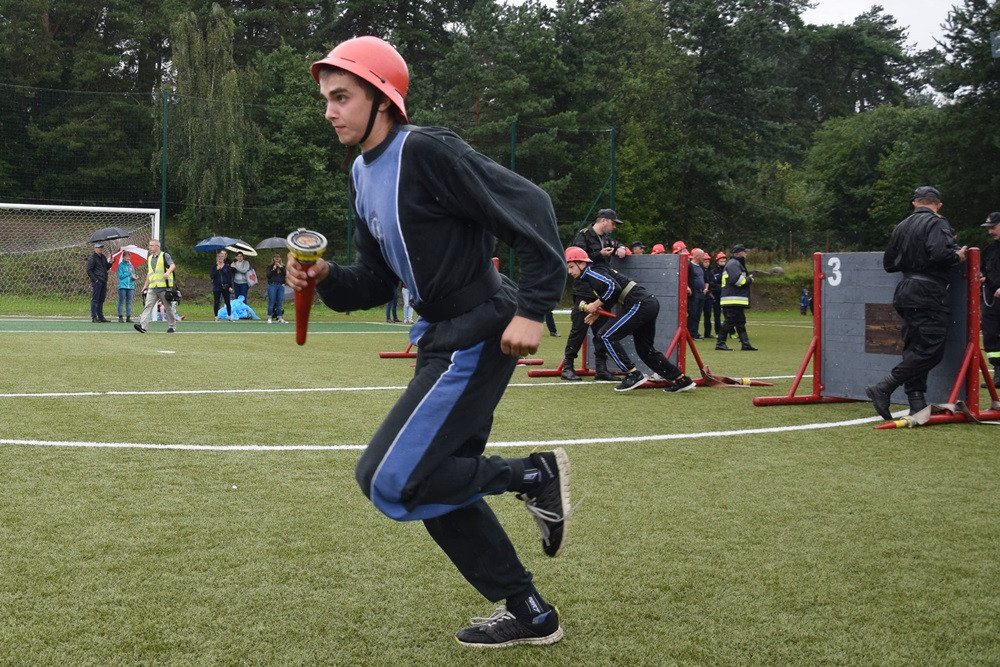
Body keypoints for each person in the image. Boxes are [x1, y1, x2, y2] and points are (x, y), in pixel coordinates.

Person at [290, 36, 572, 648]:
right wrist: (325, 276)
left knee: (390, 480)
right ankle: (529, 612)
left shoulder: (426, 151)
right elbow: (376, 279)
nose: (331, 111)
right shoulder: (362, 175)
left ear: (383, 100)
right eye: (326, 100)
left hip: (478, 330)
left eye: (342, 97)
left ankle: (531, 475)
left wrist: (533, 308)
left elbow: (533, 205)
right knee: (433, 480)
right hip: (439, 335)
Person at [866, 186, 967, 419]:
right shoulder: (938, 223)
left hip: (905, 290)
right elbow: (940, 255)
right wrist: (958, 256)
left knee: (915, 348)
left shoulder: (901, 226)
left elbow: (889, 264)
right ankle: (884, 387)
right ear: (938, 205)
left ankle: (917, 402)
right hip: (929, 292)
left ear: (914, 203)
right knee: (931, 351)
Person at [565, 246, 695, 393]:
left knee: (605, 336)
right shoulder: (595, 273)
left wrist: (595, 305)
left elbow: (613, 287)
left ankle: (633, 374)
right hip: (647, 302)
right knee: (645, 350)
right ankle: (681, 379)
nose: (569, 271)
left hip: (638, 303)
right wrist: (596, 312)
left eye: (571, 267)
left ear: (582, 264)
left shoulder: (592, 272)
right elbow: (612, 293)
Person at [560, 208, 626, 381]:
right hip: (584, 289)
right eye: (613, 223)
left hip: (601, 290)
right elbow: (576, 258)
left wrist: (621, 248)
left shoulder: (605, 238)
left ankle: (601, 369)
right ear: (603, 220)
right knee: (579, 329)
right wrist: (599, 254)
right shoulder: (582, 235)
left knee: (601, 330)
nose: (614, 227)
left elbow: (616, 243)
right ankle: (567, 367)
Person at [715, 244, 757, 351]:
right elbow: (737, 280)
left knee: (740, 321)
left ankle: (745, 344)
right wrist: (749, 280)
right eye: (744, 252)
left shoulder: (734, 263)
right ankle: (720, 343)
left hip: (734, 299)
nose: (746, 253)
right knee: (729, 321)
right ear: (738, 253)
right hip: (732, 299)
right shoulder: (734, 264)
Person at [134, 239, 176, 334]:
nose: (150, 247)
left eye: (152, 245)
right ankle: (143, 326)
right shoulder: (149, 258)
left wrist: (167, 272)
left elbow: (172, 265)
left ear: (158, 246)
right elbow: (150, 273)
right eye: (149, 245)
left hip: (163, 287)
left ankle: (172, 326)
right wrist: (145, 286)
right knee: (148, 306)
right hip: (153, 287)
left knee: (168, 308)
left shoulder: (165, 255)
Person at [980, 212, 1000, 387]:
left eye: (993, 227)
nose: (990, 232)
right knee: (991, 334)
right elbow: (983, 270)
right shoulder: (990, 250)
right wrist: (982, 277)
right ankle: (999, 374)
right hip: (992, 301)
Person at [86, 242, 111, 323]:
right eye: (99, 247)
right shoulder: (92, 258)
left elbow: (106, 268)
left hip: (104, 280)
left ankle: (100, 316)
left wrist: (111, 263)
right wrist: (95, 280)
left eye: (101, 247)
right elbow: (89, 270)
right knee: (95, 299)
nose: (100, 248)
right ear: (95, 248)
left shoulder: (103, 257)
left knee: (101, 299)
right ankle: (94, 317)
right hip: (98, 281)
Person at [686, 248, 706, 339]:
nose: (704, 258)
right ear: (697, 256)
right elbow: (686, 277)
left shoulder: (701, 266)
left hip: (701, 293)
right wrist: (687, 287)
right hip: (694, 294)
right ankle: (690, 333)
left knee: (698, 314)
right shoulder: (689, 266)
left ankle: (695, 332)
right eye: (702, 256)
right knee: (692, 314)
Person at [211, 250, 235, 321]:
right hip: (217, 286)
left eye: (222, 256)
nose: (220, 258)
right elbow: (212, 276)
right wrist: (216, 270)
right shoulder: (214, 266)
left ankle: (229, 316)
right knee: (216, 301)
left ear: (224, 257)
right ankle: (216, 316)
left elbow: (229, 277)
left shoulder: (227, 267)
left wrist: (230, 286)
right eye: (219, 257)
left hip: (226, 286)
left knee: (227, 301)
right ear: (217, 257)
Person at [116, 250, 138, 323]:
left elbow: (133, 275)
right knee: (121, 301)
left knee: (129, 302)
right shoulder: (120, 266)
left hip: (130, 286)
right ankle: (120, 317)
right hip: (122, 286)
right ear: (123, 257)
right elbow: (120, 276)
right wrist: (128, 272)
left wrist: (134, 277)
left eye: (129, 256)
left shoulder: (131, 266)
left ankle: (128, 317)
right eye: (126, 256)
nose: (128, 258)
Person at [707, 251, 725, 337]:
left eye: (724, 261)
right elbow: (712, 282)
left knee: (727, 313)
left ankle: (730, 331)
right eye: (721, 261)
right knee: (717, 314)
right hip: (716, 294)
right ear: (717, 262)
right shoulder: (713, 271)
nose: (723, 263)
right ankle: (718, 331)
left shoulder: (727, 270)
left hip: (725, 294)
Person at [266, 253, 288, 324]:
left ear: (280, 258)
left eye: (278, 257)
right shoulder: (270, 266)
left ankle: (279, 317)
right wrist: (273, 269)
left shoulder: (283, 266)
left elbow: (285, 274)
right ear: (273, 258)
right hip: (272, 285)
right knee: (272, 301)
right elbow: (268, 276)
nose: (277, 258)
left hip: (281, 285)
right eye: (275, 257)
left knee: (280, 302)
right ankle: (269, 317)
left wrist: (280, 267)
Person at [700, 252, 715, 337]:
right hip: (702, 293)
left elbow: (713, 282)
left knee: (708, 314)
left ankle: (708, 333)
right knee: (696, 314)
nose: (707, 264)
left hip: (708, 294)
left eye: (708, 262)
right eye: (705, 262)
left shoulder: (710, 272)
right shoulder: (700, 270)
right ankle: (695, 332)